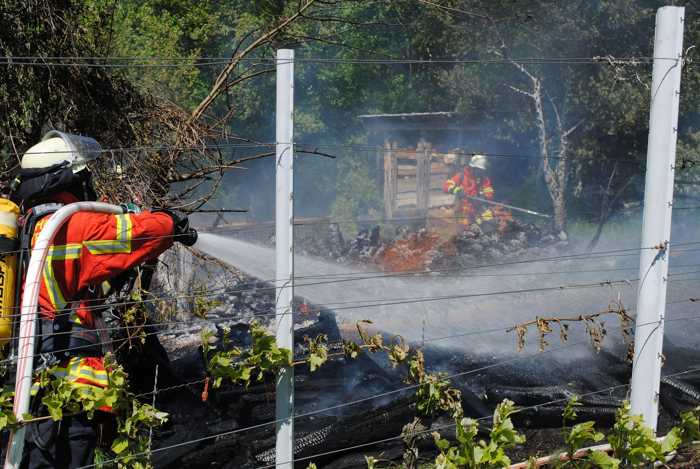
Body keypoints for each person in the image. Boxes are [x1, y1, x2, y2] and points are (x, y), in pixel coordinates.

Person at [12, 131, 197, 468]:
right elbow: (136, 233)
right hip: (63, 390)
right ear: (68, 179)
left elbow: (82, 287)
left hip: (31, 384)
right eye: (86, 176)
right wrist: (172, 221)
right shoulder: (71, 225)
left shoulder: (29, 226)